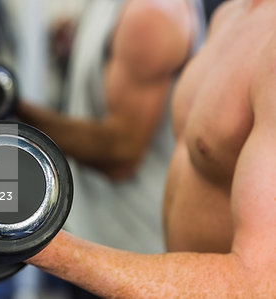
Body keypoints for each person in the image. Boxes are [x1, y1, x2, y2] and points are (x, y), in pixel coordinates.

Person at [23, 0, 276, 297]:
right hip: (161, 276)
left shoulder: (158, 13)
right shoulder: (233, 13)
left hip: (146, 260)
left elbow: (259, 283)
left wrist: (32, 241)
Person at [18, 0, 205, 253]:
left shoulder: (152, 14)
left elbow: (121, 154)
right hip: (89, 225)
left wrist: (16, 112)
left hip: (130, 246)